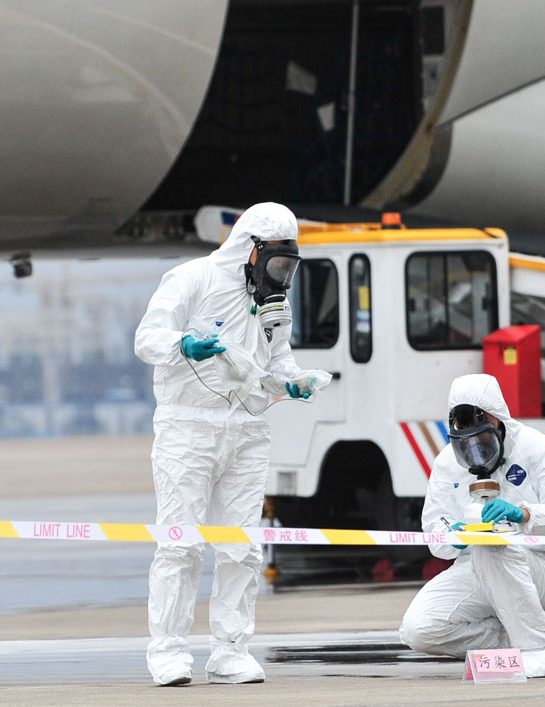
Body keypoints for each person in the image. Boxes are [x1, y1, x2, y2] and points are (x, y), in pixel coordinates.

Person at [134, 202, 324, 686]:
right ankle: (169, 651)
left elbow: (277, 360)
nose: (282, 272)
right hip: (188, 428)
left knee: (241, 546)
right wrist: (182, 346)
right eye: (275, 261)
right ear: (250, 249)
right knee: (181, 543)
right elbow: (147, 338)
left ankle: (231, 649)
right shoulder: (191, 279)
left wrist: (295, 383)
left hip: (247, 428)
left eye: (288, 263)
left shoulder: (272, 298)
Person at [399, 373, 545, 678]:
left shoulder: (538, 449)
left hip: (535, 567)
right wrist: (453, 536)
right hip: (472, 567)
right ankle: (509, 639)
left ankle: (536, 652)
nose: (474, 448)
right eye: (466, 439)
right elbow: (435, 526)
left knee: (492, 545)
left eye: (481, 438)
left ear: (497, 419)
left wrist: (524, 514)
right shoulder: (447, 463)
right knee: (419, 629)